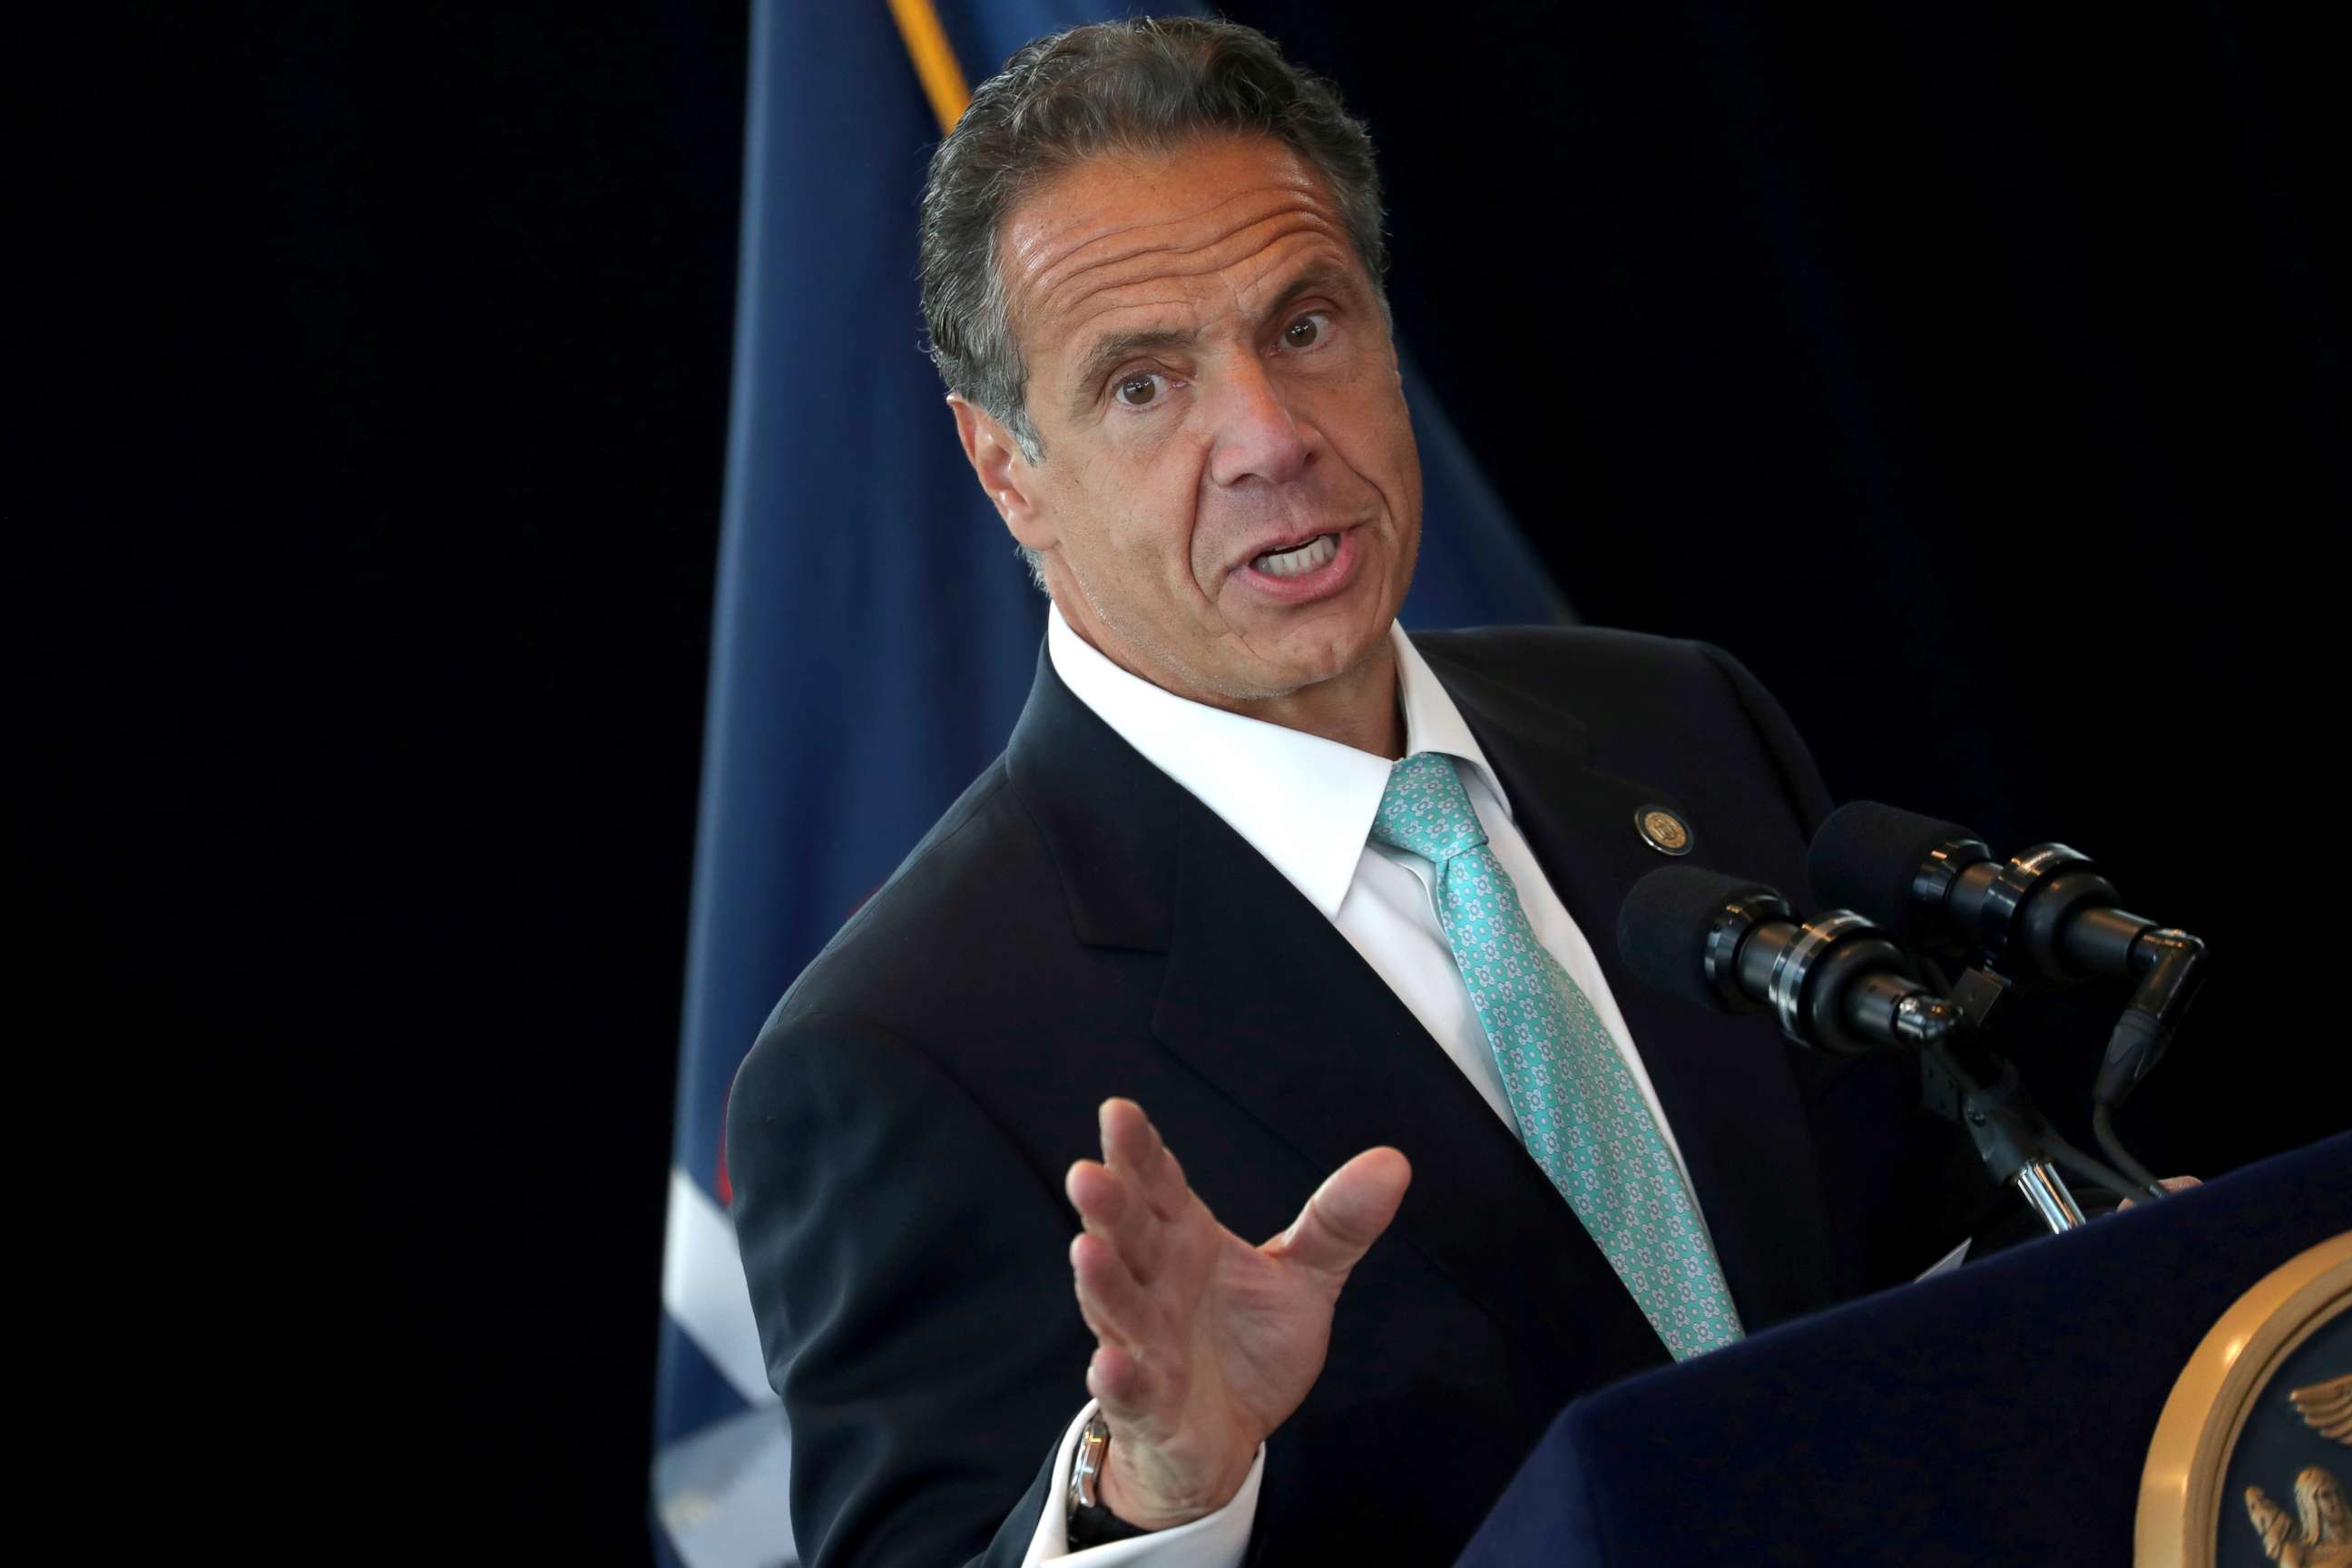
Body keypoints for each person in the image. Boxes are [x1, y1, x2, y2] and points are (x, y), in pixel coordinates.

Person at [727, 17, 1994, 1566]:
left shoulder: (1678, 724)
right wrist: (1156, 1495)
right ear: (1007, 469)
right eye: (1143, 386)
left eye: (1307, 325)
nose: (1270, 439)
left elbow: (1928, 1247)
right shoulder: (902, 1054)